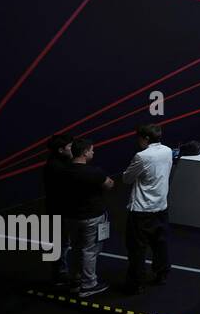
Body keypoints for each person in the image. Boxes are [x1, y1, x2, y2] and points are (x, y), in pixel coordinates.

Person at [120, 123, 172, 294]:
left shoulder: (142, 157)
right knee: (160, 243)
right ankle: (162, 273)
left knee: (137, 248)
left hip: (141, 210)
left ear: (146, 138)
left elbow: (127, 178)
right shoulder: (167, 151)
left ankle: (136, 282)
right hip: (161, 206)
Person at [62, 138, 115, 299]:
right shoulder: (94, 172)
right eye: (91, 150)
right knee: (90, 251)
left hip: (71, 216)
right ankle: (89, 284)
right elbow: (109, 184)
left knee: (76, 248)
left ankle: (75, 280)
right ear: (85, 152)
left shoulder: (63, 171)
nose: (93, 152)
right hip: (92, 217)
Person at [42, 133, 75, 287]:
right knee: (61, 243)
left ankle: (59, 272)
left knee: (63, 242)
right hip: (59, 210)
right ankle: (59, 273)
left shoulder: (60, 163)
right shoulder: (57, 168)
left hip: (60, 209)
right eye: (69, 146)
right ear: (61, 150)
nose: (72, 148)